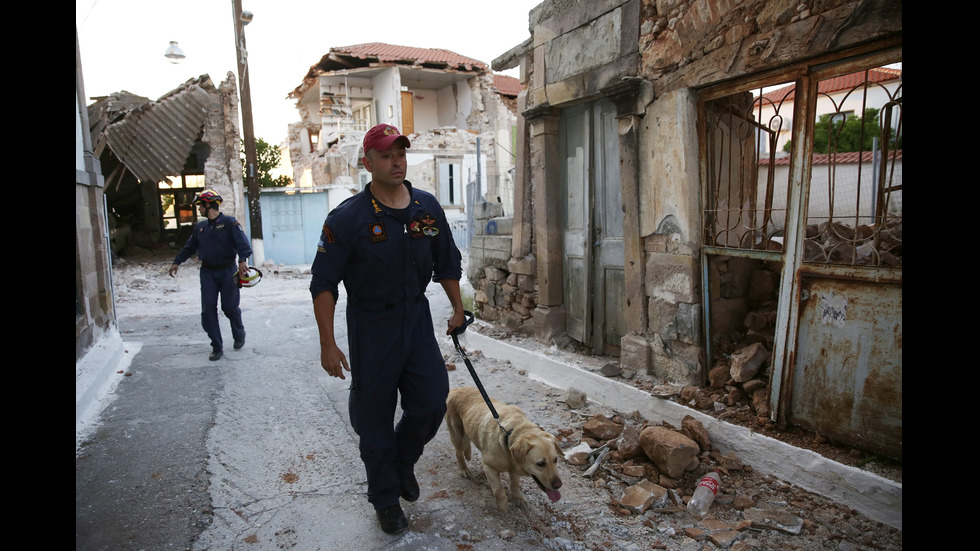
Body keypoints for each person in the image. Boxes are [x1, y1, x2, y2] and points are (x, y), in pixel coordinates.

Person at [310, 124, 465, 535]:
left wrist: (457, 308)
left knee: (432, 402)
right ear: (367, 162)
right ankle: (384, 498)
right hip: (371, 324)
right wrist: (328, 343)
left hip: (415, 319)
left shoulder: (427, 209)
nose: (395, 161)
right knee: (375, 419)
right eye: (385, 155)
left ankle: (401, 462)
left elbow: (447, 262)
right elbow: (323, 283)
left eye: (401, 153)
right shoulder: (347, 219)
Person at [169, 189, 252, 361]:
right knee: (208, 311)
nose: (198, 210)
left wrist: (242, 260)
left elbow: (242, 243)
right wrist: (177, 262)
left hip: (228, 271)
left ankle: (239, 333)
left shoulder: (229, 223)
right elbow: (189, 247)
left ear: (208, 205)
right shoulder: (201, 228)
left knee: (229, 307)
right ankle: (217, 346)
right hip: (207, 273)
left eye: (200, 206)